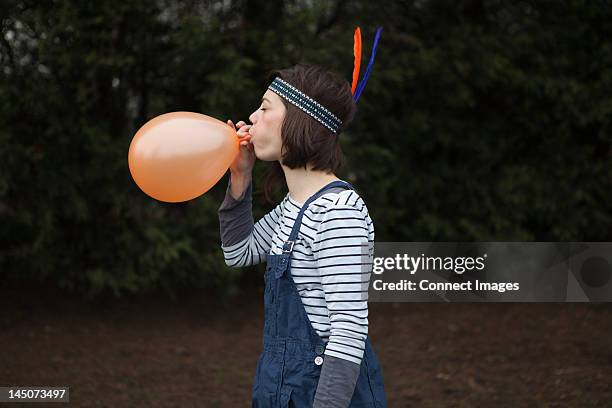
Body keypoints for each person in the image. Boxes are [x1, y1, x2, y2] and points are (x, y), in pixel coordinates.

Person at [218, 64, 387, 407]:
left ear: (300, 121)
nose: (252, 116)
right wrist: (240, 178)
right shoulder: (293, 206)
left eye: (265, 108)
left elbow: (348, 330)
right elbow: (237, 252)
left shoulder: (337, 211)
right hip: (280, 388)